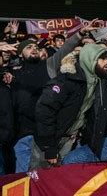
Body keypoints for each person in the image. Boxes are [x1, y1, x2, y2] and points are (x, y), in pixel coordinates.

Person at [32, 45, 107, 168]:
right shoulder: (67, 80)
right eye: (102, 59)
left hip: (70, 140)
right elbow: (45, 110)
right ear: (91, 60)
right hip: (48, 139)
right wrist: (49, 147)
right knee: (38, 179)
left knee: (60, 179)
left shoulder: (103, 84)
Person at [8, 21, 100, 172]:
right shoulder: (11, 74)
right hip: (22, 137)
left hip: (45, 137)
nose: (34, 49)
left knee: (44, 181)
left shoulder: (48, 66)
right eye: (28, 47)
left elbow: (65, 49)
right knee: (21, 184)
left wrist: (80, 33)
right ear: (19, 53)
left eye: (36, 47)